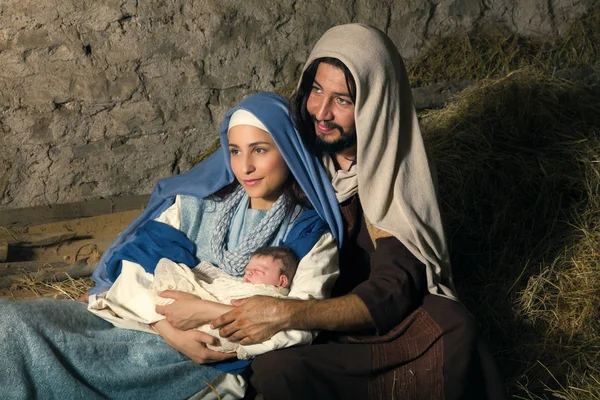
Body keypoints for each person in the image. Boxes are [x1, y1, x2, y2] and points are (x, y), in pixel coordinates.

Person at [206, 24, 506, 399]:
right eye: (316, 90)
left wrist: (287, 314)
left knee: (454, 329)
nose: (322, 112)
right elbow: (204, 189)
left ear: (374, 106)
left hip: (355, 313)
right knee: (272, 368)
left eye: (343, 100)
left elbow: (393, 290)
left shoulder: (389, 177)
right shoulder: (295, 145)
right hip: (294, 294)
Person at [0, 92, 344, 400]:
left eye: (260, 150)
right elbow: (137, 268)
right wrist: (163, 326)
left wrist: (197, 317)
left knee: (45, 354)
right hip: (139, 319)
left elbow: (300, 317)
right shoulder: (198, 206)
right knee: (10, 322)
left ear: (287, 149)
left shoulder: (306, 232)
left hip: (191, 358)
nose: (245, 167)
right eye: (236, 151)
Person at [88, 246, 301, 359]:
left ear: (281, 280)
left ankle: (130, 304)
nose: (249, 275)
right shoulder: (239, 282)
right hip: (184, 318)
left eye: (259, 272)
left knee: (146, 282)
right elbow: (221, 283)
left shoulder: (274, 299)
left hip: (216, 332)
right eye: (248, 271)